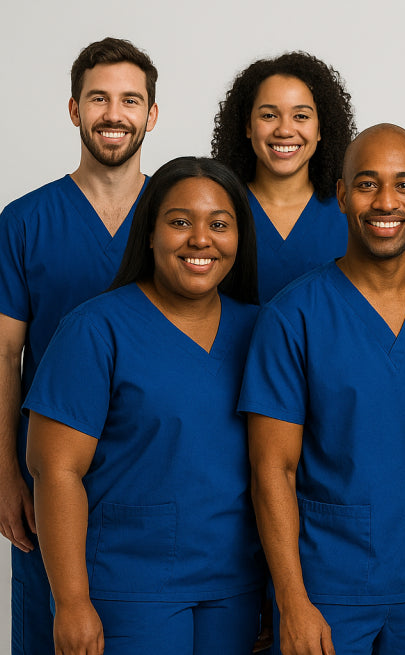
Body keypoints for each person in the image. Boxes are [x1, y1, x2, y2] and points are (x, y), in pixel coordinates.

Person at [240, 123, 405, 655]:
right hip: (325, 586)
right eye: (368, 184)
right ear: (343, 196)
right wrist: (292, 601)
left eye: (404, 185)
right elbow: (271, 470)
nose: (386, 202)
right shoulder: (292, 316)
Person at [24, 157, 264, 654]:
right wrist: (71, 601)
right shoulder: (95, 330)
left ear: (240, 238)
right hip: (127, 589)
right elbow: (56, 471)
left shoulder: (260, 330)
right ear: (149, 233)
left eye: (220, 224)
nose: (201, 239)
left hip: (234, 588)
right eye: (180, 222)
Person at [0, 37, 158, 655]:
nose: (113, 114)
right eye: (98, 99)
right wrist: (5, 472)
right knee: (54, 632)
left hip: (155, 473)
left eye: (130, 100)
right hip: (49, 478)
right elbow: (5, 355)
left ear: (152, 114)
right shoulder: (24, 222)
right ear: (73, 109)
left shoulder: (181, 220)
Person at [213, 51, 355, 303]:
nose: (285, 130)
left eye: (301, 116)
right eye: (269, 115)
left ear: (320, 129)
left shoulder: (349, 212)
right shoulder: (218, 207)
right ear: (248, 126)